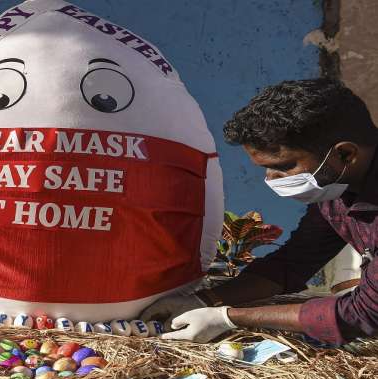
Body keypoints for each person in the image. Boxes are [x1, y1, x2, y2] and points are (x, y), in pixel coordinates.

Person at [140, 78, 378, 345]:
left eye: (285, 166)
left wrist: (228, 317)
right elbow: (293, 262)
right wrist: (201, 300)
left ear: (345, 154)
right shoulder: (337, 190)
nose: (273, 178)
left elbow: (363, 313)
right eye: (265, 168)